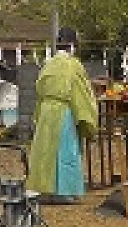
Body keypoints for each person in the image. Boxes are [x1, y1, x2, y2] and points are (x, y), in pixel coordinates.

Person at [26, 27, 98, 200]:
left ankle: (46, 190)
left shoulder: (48, 64)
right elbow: (81, 92)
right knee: (66, 150)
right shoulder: (73, 65)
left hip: (45, 111)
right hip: (63, 109)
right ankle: (64, 192)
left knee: (45, 151)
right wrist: (88, 117)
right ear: (73, 45)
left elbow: (39, 88)